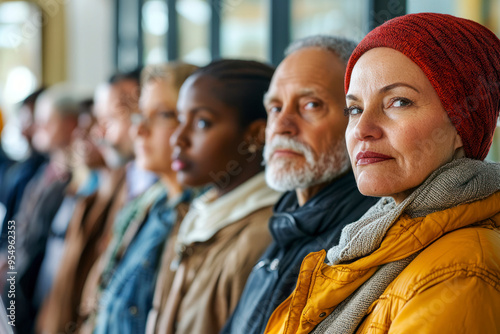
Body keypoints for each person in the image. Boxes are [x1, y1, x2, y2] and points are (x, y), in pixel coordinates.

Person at [264, 13, 500, 334]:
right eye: (355, 109)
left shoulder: (461, 270)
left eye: (398, 102)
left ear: (462, 126)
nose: (362, 129)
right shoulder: (370, 237)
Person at [222, 36, 377, 334]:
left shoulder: (362, 243)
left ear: (357, 117)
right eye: (275, 108)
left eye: (310, 104)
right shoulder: (286, 224)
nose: (282, 125)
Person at [146, 60, 282, 334]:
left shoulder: (260, 238)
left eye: (202, 123)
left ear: (255, 135)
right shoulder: (197, 214)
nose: (178, 138)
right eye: (180, 120)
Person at [80, 62, 199, 334]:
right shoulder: (149, 206)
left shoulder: (199, 220)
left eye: (161, 115)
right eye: (140, 116)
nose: (139, 131)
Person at [5, 84, 89, 334]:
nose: (36, 128)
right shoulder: (41, 172)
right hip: (19, 286)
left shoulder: (78, 181)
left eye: (46, 121)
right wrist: (8, 261)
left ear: (70, 123)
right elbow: (16, 226)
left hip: (45, 296)